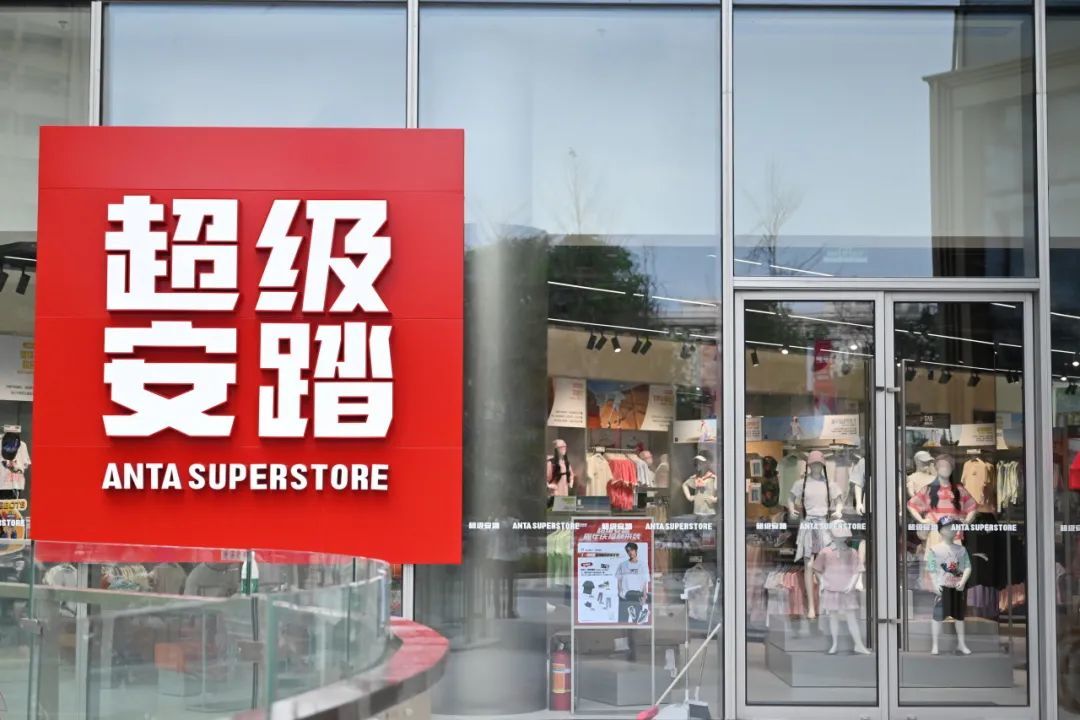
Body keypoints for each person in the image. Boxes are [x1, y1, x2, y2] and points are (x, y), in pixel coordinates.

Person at [616, 542, 650, 623]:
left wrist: (644, 596)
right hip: (624, 597)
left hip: (637, 596)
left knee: (637, 622)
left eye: (631, 550)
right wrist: (620, 593)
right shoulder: (622, 565)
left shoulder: (643, 565)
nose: (630, 552)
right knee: (622, 621)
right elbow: (619, 580)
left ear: (636, 550)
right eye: (628, 551)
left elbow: (645, 582)